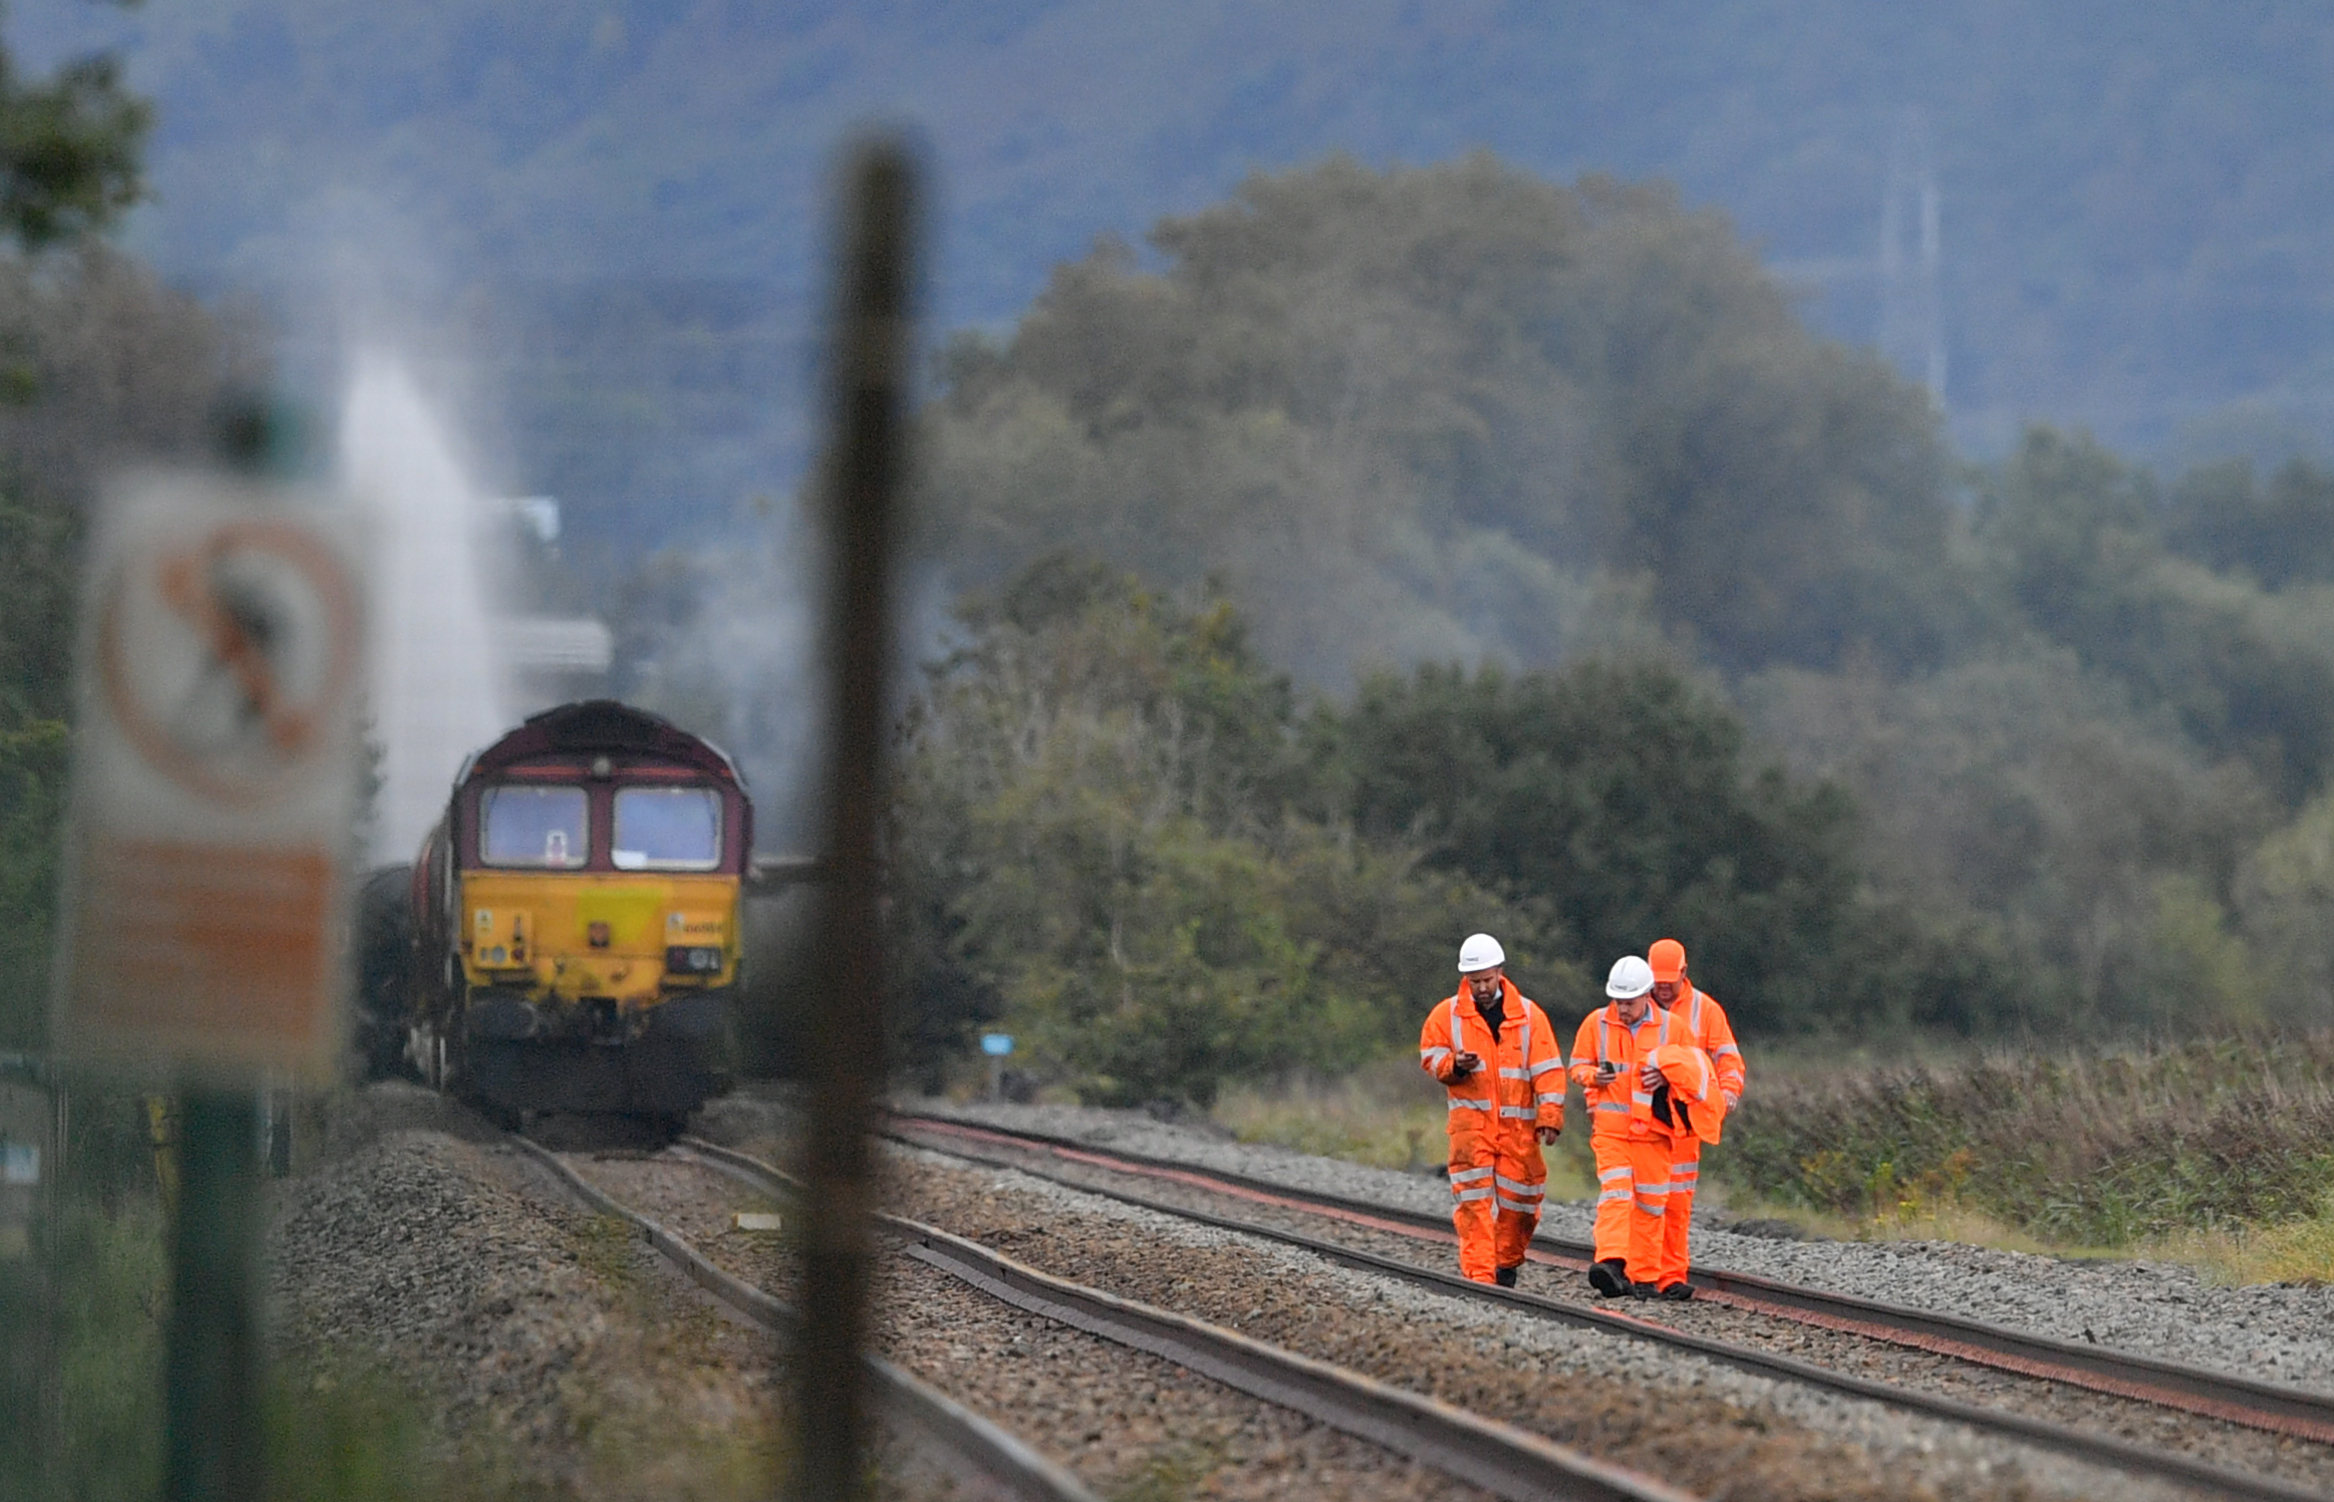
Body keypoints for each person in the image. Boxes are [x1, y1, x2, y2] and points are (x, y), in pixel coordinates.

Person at [1418, 932, 1565, 1287]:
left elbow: (1548, 1070)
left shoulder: (1530, 1016)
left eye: (1486, 979)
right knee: (1474, 1207)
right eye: (1474, 981)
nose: (1481, 988)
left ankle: (1505, 1263)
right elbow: (1430, 1056)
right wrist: (1455, 1065)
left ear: (1500, 972)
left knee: (1524, 1205)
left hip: (1520, 1131)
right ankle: (1481, 1278)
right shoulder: (1446, 1015)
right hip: (1472, 1130)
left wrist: (1549, 1117)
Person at [1569, 955, 1714, 1298]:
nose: (1622, 1010)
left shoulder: (1672, 1028)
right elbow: (1576, 1066)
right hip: (1611, 1132)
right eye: (1617, 1002)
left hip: (1654, 1135)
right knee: (1616, 1196)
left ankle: (1645, 1279)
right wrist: (1592, 1076)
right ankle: (1611, 1262)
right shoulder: (1595, 1024)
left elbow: (1694, 1075)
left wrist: (1666, 1076)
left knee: (1651, 1206)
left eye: (1629, 1003)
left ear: (1647, 995)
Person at [1648, 937, 1743, 1298]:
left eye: (1668, 981)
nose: (1662, 987)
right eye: (1657, 979)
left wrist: (1729, 1091)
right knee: (1638, 1202)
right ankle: (1634, 1270)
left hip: (1685, 1125)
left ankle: (1671, 1277)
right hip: (1642, 1123)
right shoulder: (1634, 1004)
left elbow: (1728, 1057)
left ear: (1684, 973)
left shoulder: (1706, 1010)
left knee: (1676, 1203)